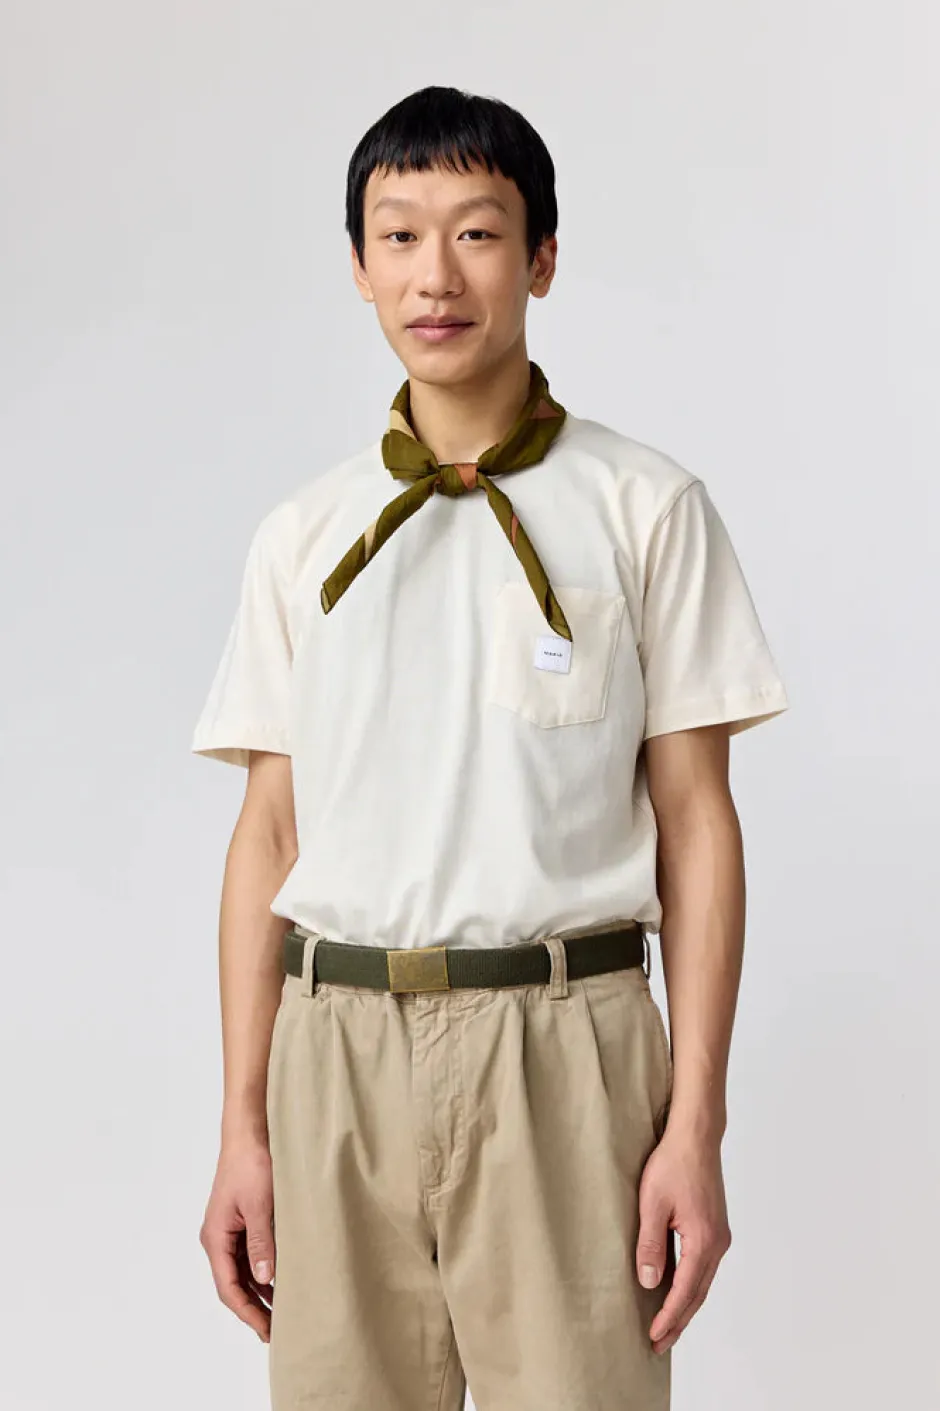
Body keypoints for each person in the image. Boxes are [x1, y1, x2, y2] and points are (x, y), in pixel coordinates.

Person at [191, 84, 789, 1411]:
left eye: (477, 232)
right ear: (359, 267)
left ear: (543, 258)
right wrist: (241, 1121)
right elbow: (269, 836)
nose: (436, 275)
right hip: (333, 1051)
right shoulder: (303, 538)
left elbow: (698, 822)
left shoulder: (645, 507)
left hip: (566, 1049)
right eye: (399, 236)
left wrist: (696, 1122)